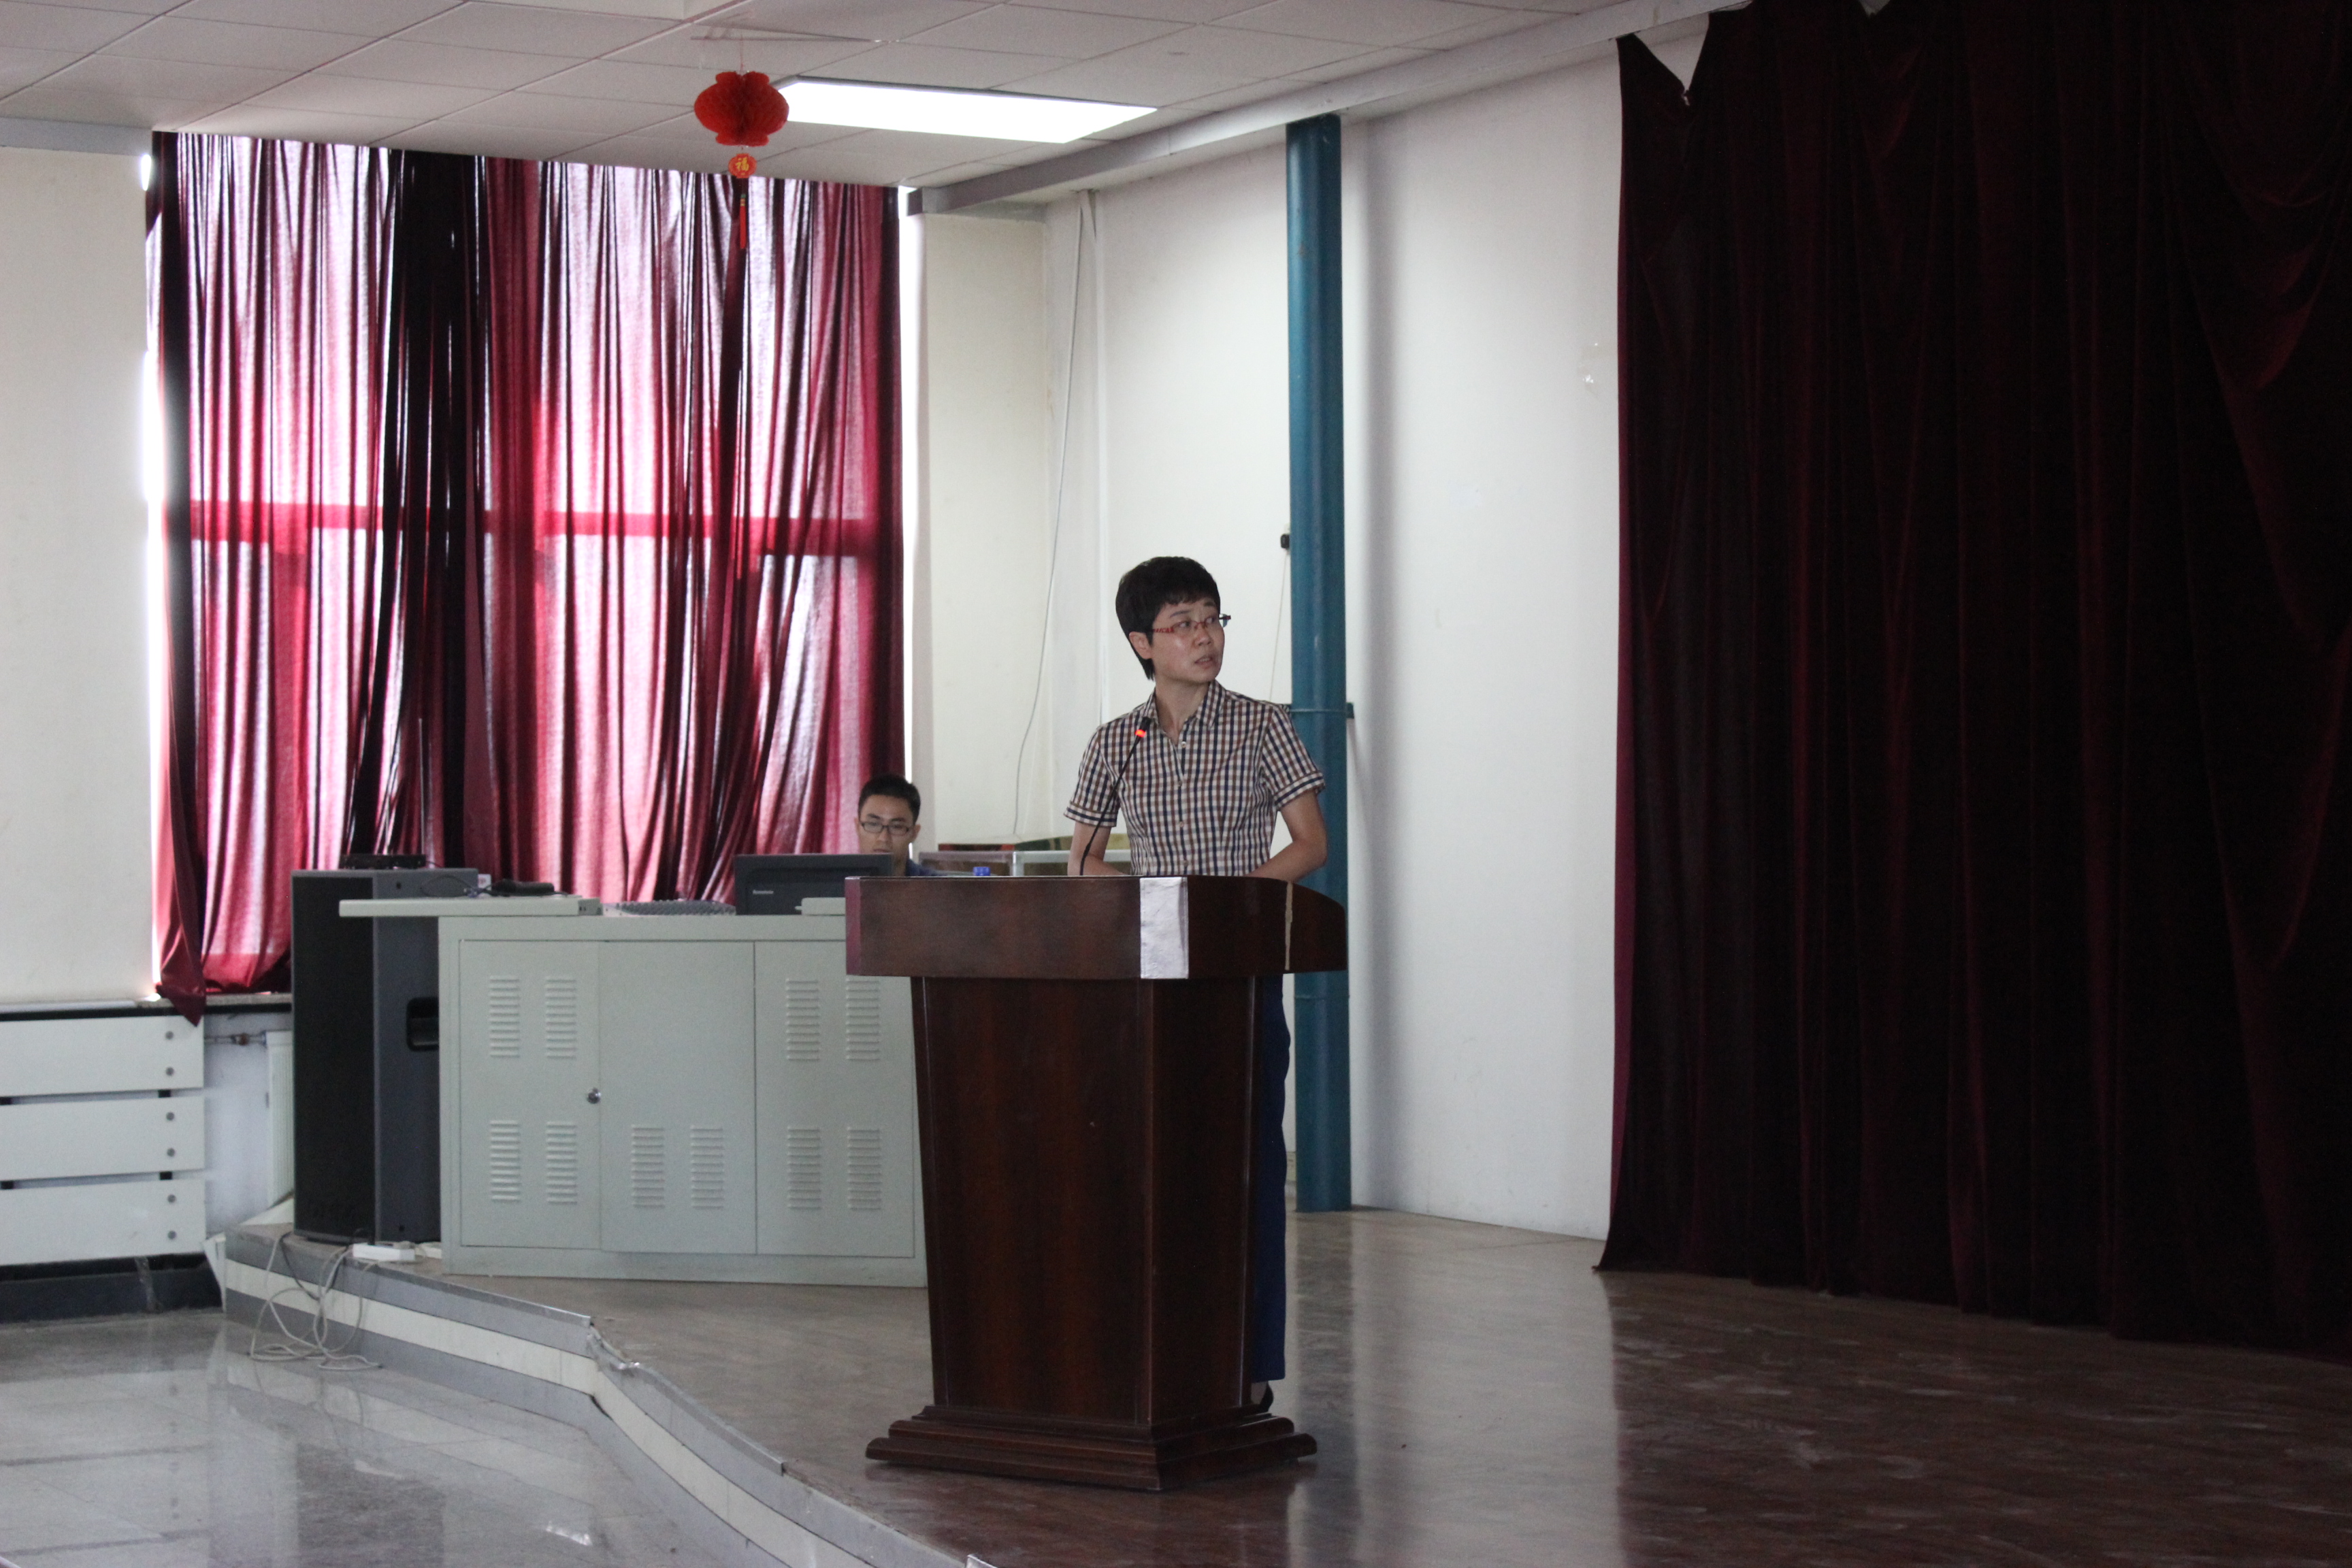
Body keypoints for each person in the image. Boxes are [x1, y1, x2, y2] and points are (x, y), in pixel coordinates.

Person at [1065, 555, 1328, 1411]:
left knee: (1246, 1171)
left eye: (1213, 618)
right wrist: (1145, 901)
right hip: (1151, 980)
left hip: (1237, 973)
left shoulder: (1261, 725)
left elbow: (1310, 844)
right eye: (1183, 624)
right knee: (1155, 1169)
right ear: (1143, 643)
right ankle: (1160, 1355)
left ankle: (1247, 1365)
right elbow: (1082, 861)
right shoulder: (1116, 741)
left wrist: (1222, 907)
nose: (1205, 637)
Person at [855, 774, 941, 876]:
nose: (884, 838)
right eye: (874, 824)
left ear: (914, 833)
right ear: (857, 827)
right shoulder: (839, 880)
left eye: (896, 827)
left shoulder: (937, 885)